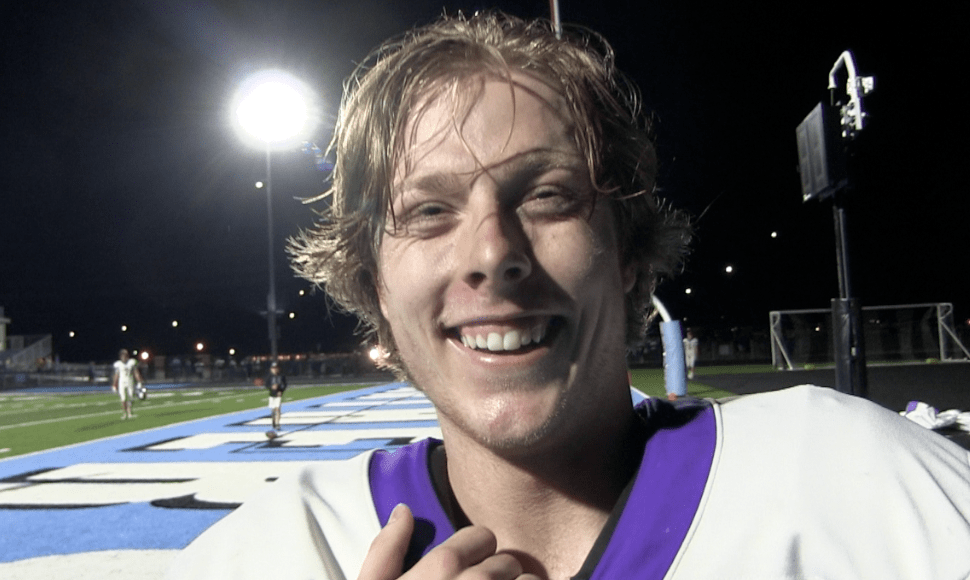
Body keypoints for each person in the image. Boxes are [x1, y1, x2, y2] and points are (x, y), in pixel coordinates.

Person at [168, 12, 970, 580]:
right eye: (429, 211)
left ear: (627, 251)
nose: (492, 254)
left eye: (548, 196)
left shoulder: (856, 484)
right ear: (374, 279)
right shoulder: (272, 552)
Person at [111, 348, 142, 420]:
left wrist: (139, 382)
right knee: (123, 398)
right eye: (122, 355)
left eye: (125, 355)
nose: (124, 356)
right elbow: (116, 375)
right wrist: (114, 385)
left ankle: (129, 412)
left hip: (130, 381)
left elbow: (136, 372)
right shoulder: (118, 364)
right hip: (121, 382)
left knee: (131, 397)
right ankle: (124, 414)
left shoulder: (131, 362)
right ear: (120, 356)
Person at [265, 361, 287, 433]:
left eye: (276, 368)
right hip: (272, 395)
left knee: (277, 409)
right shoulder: (269, 376)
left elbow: (284, 385)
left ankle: (277, 423)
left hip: (278, 395)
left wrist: (281, 390)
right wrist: (271, 387)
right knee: (273, 410)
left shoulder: (281, 376)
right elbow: (266, 385)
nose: (274, 369)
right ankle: (274, 421)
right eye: (273, 368)